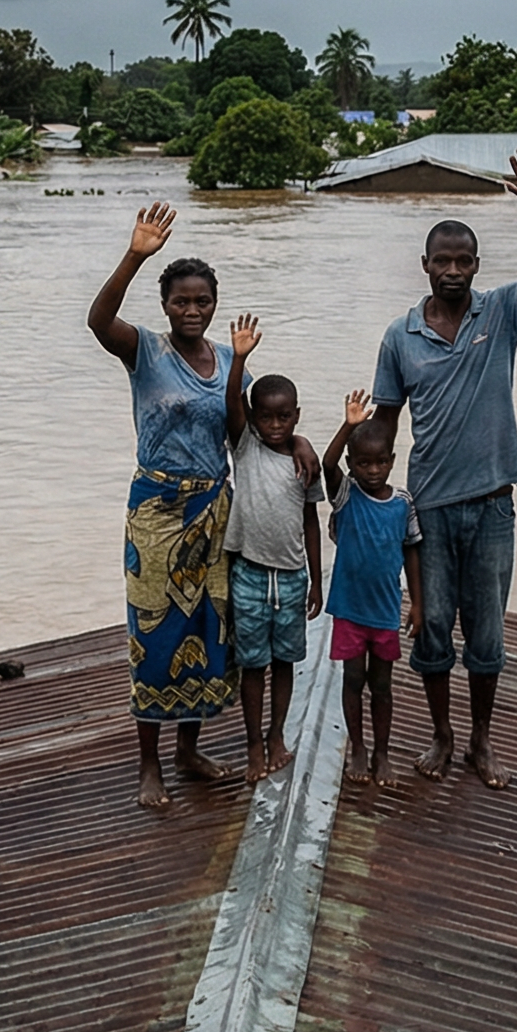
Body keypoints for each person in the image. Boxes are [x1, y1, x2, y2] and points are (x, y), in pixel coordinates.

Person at [368, 148, 517, 789]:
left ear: (477, 266)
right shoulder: (399, 337)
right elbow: (384, 425)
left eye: (463, 261)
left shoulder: (502, 313)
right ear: (425, 265)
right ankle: (442, 734)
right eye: (442, 261)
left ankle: (481, 739)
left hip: (491, 504)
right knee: (431, 630)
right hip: (427, 507)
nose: (452, 271)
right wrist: (356, 489)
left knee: (486, 634)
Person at [86, 201, 241, 812]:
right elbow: (99, 321)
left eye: (202, 301)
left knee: (205, 631)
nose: (192, 310)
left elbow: (244, 432)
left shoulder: (228, 359)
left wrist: (303, 446)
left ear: (215, 303)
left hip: (214, 510)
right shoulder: (145, 351)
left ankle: (188, 752)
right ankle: (149, 764)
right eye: (181, 301)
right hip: (157, 511)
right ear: (165, 305)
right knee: (155, 635)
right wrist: (135, 255)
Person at [222, 314, 324, 784]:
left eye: (285, 417)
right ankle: (252, 744)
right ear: (253, 417)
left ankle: (276, 735)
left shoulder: (305, 465)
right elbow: (232, 404)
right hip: (249, 573)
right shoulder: (246, 447)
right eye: (265, 416)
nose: (275, 425)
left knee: (285, 661)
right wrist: (239, 359)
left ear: (297, 415)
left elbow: (310, 521)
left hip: (292, 576)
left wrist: (317, 581)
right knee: (253, 664)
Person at [322, 390, 421, 787]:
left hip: (384, 611)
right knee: (352, 681)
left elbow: (412, 551)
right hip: (350, 610)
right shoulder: (347, 495)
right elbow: (327, 465)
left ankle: (382, 752)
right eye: (363, 463)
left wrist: (417, 603)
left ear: (392, 461)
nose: (374, 470)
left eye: (381, 462)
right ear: (352, 465)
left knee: (382, 686)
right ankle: (358, 748)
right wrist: (348, 426)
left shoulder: (402, 503)